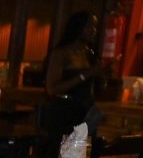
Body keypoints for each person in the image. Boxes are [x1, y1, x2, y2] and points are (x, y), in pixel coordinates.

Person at [42, 10, 102, 144]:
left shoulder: (89, 53)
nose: (93, 31)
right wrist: (84, 75)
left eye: (95, 27)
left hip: (85, 113)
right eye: (89, 26)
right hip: (65, 113)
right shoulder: (61, 53)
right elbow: (52, 89)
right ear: (78, 28)